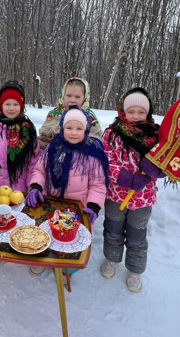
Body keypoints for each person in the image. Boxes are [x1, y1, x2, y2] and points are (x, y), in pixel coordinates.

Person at [27, 106, 108, 277]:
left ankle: (67, 267)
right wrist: (36, 186)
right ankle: (43, 257)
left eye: (79, 128)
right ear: (62, 127)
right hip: (51, 203)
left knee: (71, 240)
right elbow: (40, 171)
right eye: (69, 128)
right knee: (47, 231)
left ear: (86, 130)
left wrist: (94, 206)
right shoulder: (53, 148)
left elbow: (98, 185)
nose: (73, 132)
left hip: (77, 208)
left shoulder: (92, 154)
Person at [100, 87, 163, 292]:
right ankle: (112, 260)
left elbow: (168, 163)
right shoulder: (112, 134)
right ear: (123, 111)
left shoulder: (156, 135)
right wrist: (125, 178)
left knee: (137, 236)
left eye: (141, 112)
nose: (135, 116)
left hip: (143, 198)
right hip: (116, 195)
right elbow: (106, 161)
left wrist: (157, 170)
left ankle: (135, 270)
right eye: (131, 111)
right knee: (113, 230)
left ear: (148, 112)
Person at [0, 80, 39, 192]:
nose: (11, 108)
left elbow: (33, 163)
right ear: (1, 105)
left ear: (21, 106)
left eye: (16, 104)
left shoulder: (28, 129)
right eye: (7, 104)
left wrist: (32, 186)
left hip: (19, 191)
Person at [38, 76, 103, 150]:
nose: (72, 100)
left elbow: (98, 144)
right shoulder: (54, 114)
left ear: (85, 98)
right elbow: (42, 143)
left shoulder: (90, 117)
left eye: (77, 97)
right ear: (63, 95)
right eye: (68, 96)